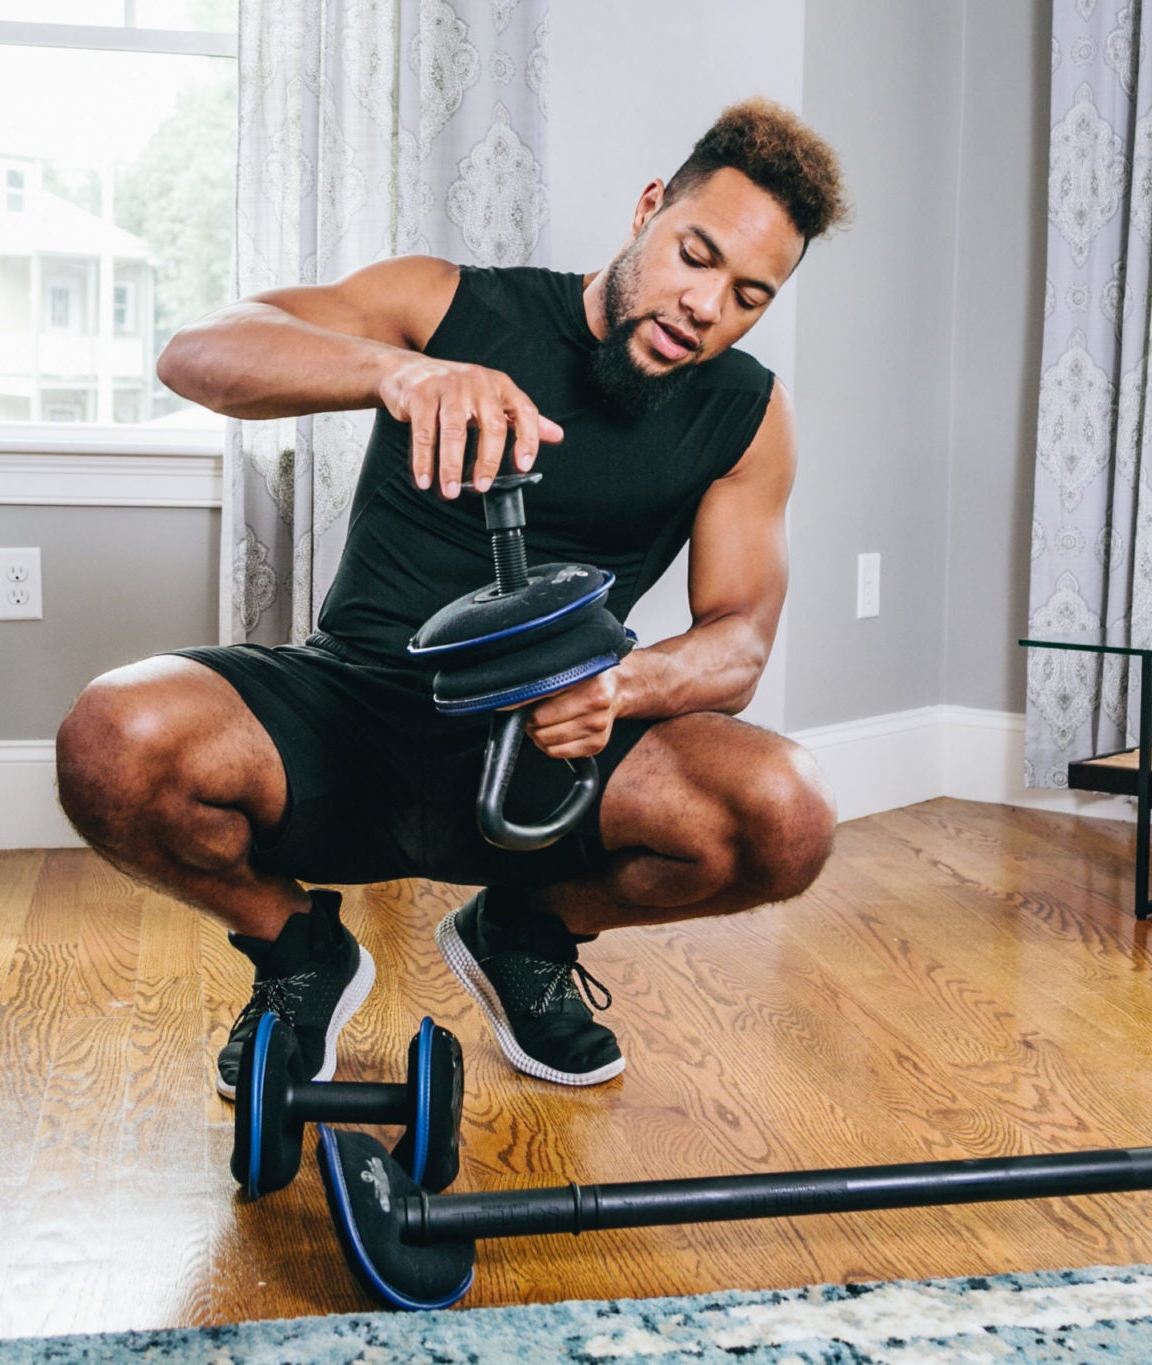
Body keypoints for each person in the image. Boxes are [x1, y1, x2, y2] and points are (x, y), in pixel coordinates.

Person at [55, 98, 849, 1096]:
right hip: (354, 706)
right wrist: (396, 374)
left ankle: (527, 931)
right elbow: (199, 353)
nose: (705, 307)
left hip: (551, 744)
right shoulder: (446, 304)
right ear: (648, 208)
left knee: (788, 812)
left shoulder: (746, 411)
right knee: (109, 740)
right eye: (695, 255)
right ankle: (296, 950)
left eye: (747, 295)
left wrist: (619, 690)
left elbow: (738, 642)